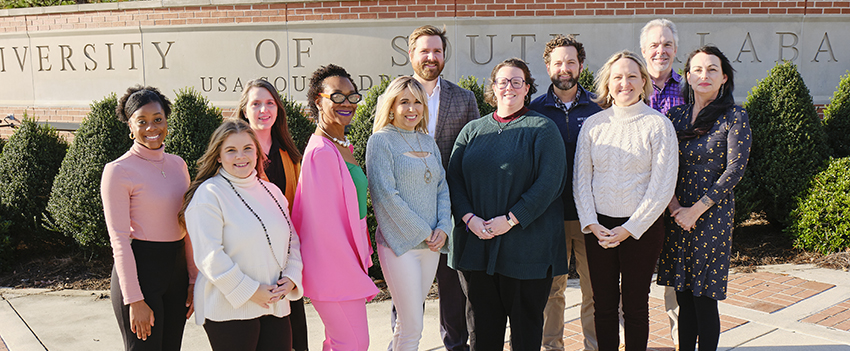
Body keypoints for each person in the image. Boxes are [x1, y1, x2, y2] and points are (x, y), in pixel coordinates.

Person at [447, 58, 567, 351]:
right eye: (503, 81)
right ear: (494, 87)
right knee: (482, 333)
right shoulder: (472, 130)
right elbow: (454, 180)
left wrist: (511, 219)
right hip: (477, 246)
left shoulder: (542, 128)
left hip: (527, 252)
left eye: (517, 81)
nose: (509, 87)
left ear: (527, 88)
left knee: (526, 334)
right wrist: (468, 218)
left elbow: (550, 183)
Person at [573, 51, 678, 351]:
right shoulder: (593, 125)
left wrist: (630, 228)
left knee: (635, 305)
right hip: (600, 230)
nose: (625, 83)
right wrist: (591, 224)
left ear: (644, 81)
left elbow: (662, 186)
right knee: (602, 305)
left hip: (641, 230)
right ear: (608, 83)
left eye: (632, 76)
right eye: (617, 77)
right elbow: (581, 180)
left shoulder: (659, 125)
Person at [386, 25, 481, 351]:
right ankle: (402, 342)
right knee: (407, 294)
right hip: (407, 216)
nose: (431, 57)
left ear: (444, 56)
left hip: (449, 212)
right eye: (424, 51)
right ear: (411, 54)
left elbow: (473, 155)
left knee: (453, 290)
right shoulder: (394, 97)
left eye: (437, 51)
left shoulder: (464, 99)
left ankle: (456, 346)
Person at [657, 46, 751, 351]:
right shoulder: (676, 115)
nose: (704, 75)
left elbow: (735, 170)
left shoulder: (734, 115)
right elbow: (665, 165)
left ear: (724, 77)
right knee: (682, 294)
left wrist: (694, 211)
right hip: (676, 214)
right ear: (687, 76)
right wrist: (674, 208)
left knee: (704, 297)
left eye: (712, 69)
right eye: (697, 69)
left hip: (712, 215)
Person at [181, 119, 303, 350]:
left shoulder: (272, 191)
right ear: (218, 156)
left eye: (248, 148)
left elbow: (291, 240)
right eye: (231, 150)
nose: (241, 156)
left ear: (257, 153)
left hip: (275, 303)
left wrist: (291, 277)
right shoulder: (209, 194)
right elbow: (209, 256)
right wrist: (251, 291)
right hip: (229, 309)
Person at [102, 86, 198, 351]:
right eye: (141, 121)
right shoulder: (118, 171)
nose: (151, 127)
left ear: (167, 121)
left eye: (158, 119)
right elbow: (119, 240)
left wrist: (193, 279)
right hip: (141, 273)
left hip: (176, 273)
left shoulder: (178, 164)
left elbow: (187, 226)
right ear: (130, 127)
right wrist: (134, 299)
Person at [293, 64, 379, 351]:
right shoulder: (320, 152)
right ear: (319, 100)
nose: (347, 103)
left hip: (346, 265)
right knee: (353, 344)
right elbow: (323, 226)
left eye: (352, 96)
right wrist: (353, 269)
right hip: (334, 270)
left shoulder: (342, 144)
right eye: (337, 96)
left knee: (340, 343)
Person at [367, 76, 452, 351]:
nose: (411, 108)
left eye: (417, 102)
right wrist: (425, 231)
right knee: (414, 326)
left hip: (431, 246)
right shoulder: (380, 141)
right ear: (391, 106)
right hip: (399, 246)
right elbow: (385, 197)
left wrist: (443, 228)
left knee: (406, 324)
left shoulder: (428, 142)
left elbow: (442, 188)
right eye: (404, 102)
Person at [529, 34, 603, 351]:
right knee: (551, 289)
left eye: (571, 62)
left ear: (581, 66)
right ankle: (551, 347)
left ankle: (595, 346)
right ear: (548, 67)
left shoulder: (601, 107)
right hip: (550, 216)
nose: (565, 68)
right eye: (558, 62)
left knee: (596, 289)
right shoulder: (534, 111)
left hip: (592, 216)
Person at [235, 78, 308, 351]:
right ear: (244, 110)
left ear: (278, 109)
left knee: (295, 338)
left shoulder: (289, 155)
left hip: (285, 262)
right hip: (248, 264)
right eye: (256, 104)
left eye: (269, 103)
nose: (263, 110)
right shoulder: (236, 154)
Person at [640, 18, 685, 349]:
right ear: (643, 50)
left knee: (677, 281)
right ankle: (629, 340)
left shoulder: (689, 91)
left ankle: (681, 341)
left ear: (676, 50)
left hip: (678, 201)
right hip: (632, 200)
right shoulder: (625, 87)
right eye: (654, 45)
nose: (661, 50)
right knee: (630, 280)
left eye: (667, 44)